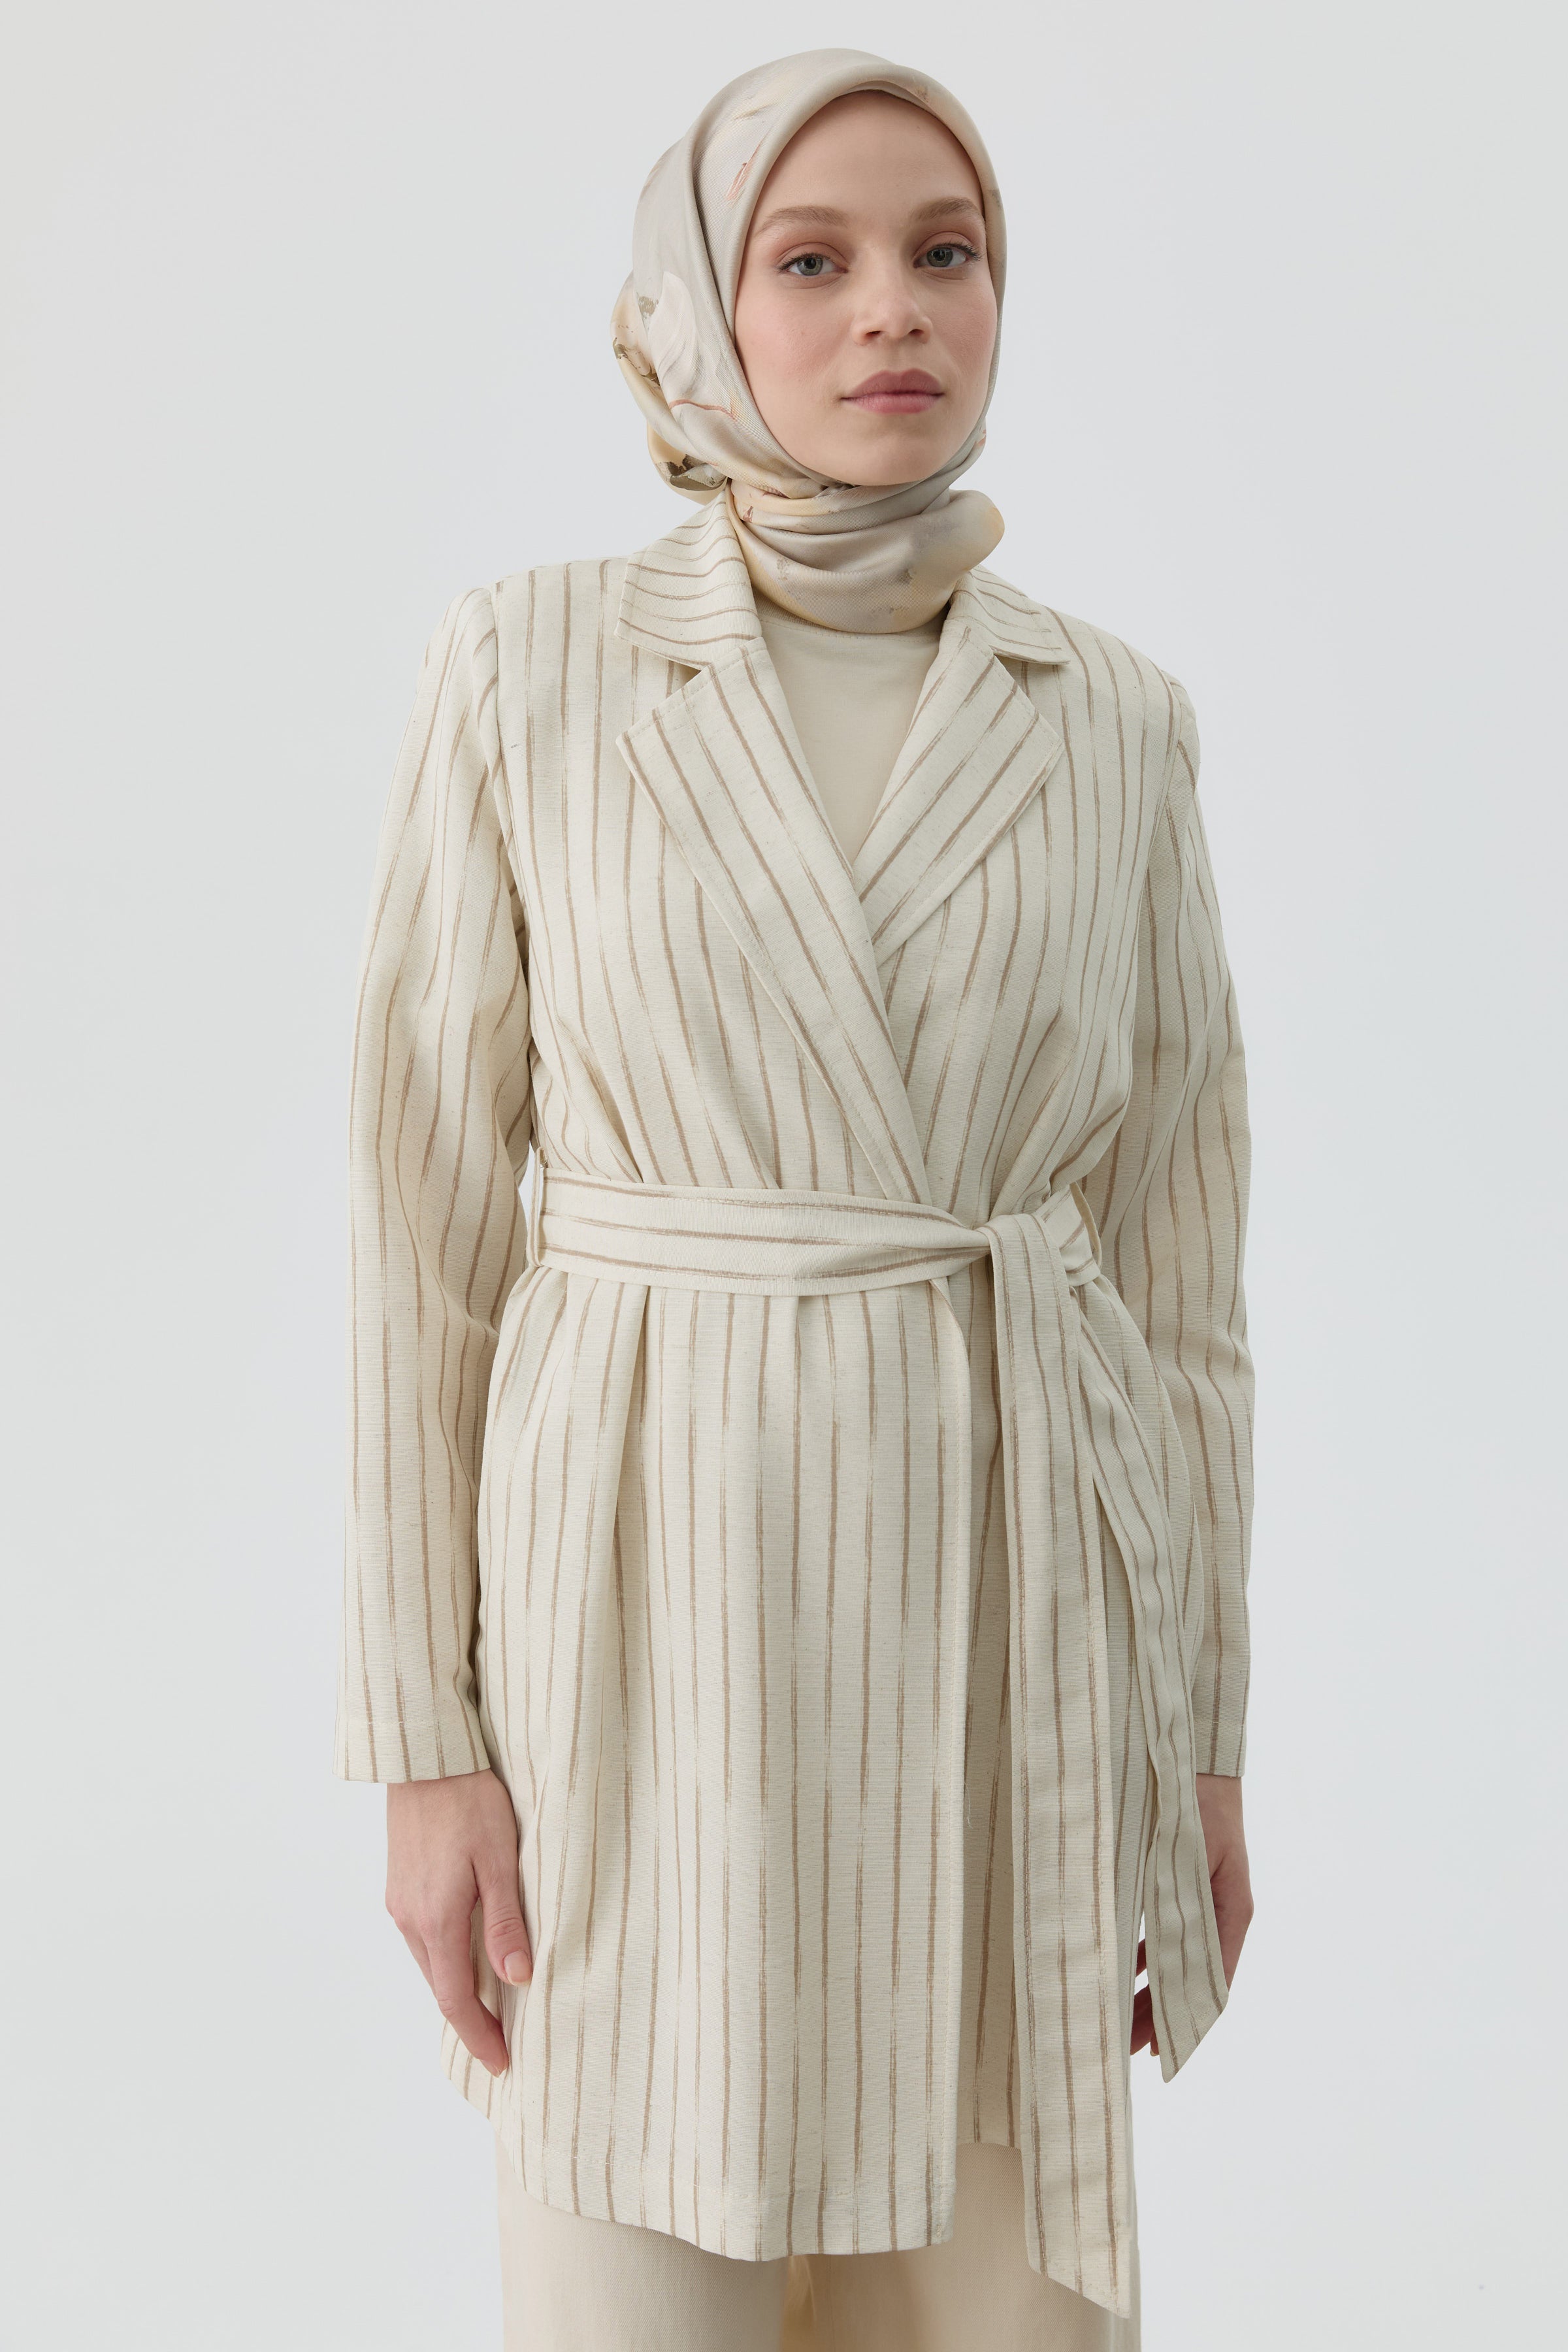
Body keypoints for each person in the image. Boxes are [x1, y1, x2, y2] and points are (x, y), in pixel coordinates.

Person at [337, 46, 1256, 2352]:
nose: (893, 312)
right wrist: (425, 1745)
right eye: (812, 259)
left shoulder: (1116, 722)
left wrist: (1200, 1740)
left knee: (992, 2303)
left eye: (948, 254)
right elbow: (423, 1242)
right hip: (647, 1635)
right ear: (696, 310)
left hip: (1013, 1649)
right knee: (635, 2289)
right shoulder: (532, 669)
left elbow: (1179, 1278)